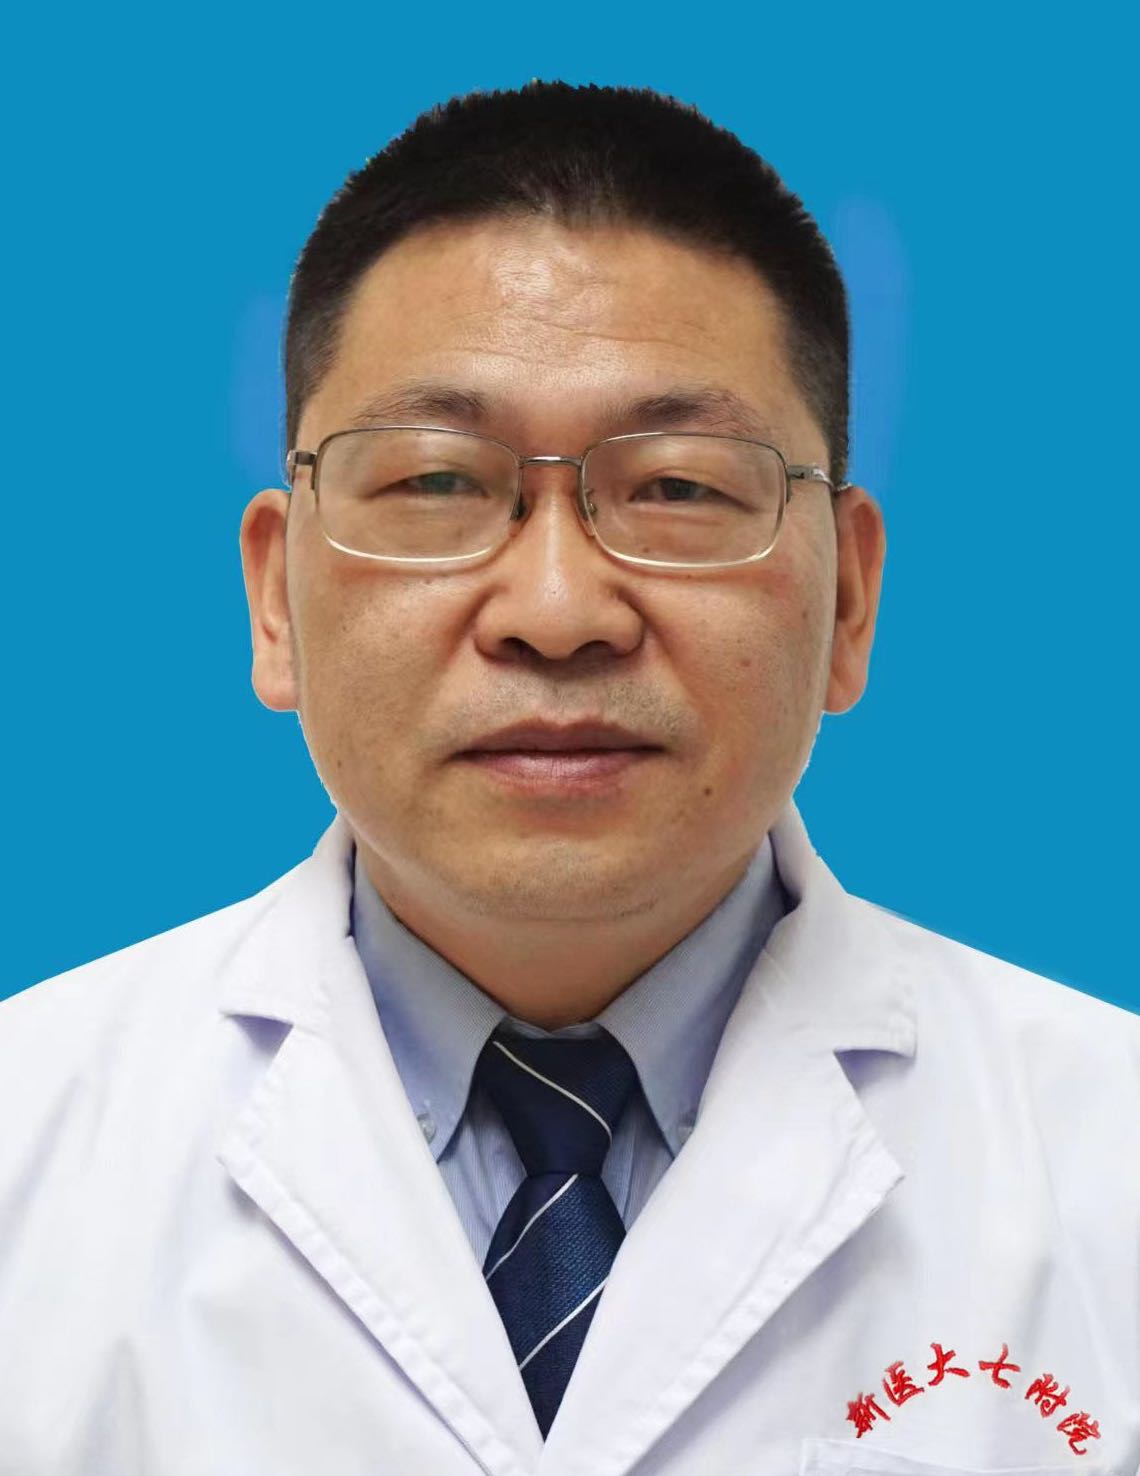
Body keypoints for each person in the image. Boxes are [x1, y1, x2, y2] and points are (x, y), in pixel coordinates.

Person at [0, 81, 1137, 1476]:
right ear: (276, 599)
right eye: (435, 484)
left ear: (849, 600)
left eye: (679, 487)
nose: (556, 609)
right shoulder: (25, 1144)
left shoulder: (1110, 1168)